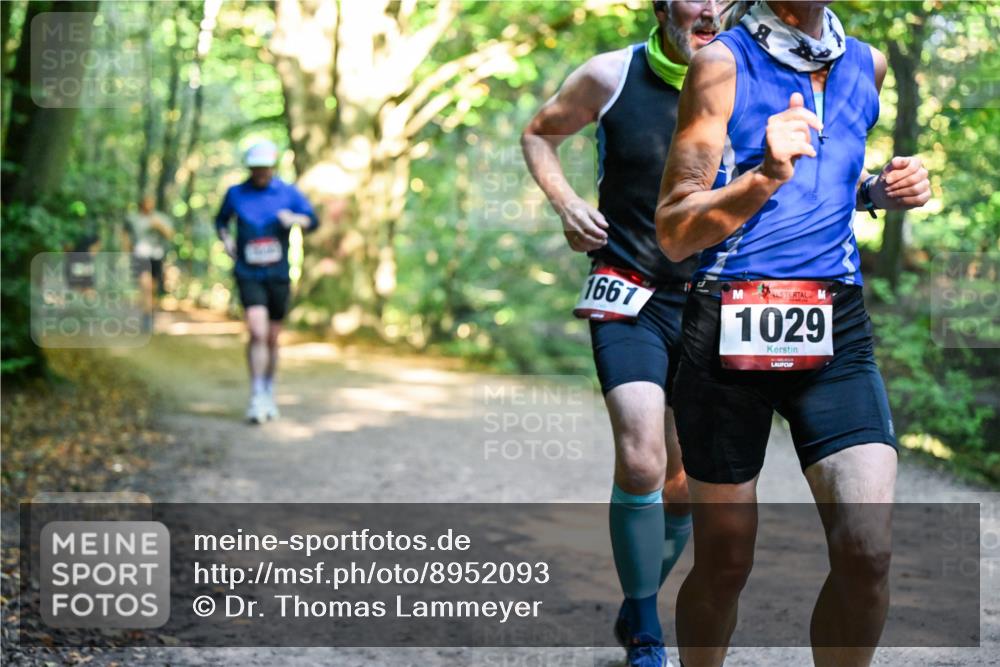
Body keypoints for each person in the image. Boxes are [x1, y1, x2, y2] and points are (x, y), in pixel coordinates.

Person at [654, 1, 931, 666]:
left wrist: (877, 192)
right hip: (728, 322)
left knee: (867, 551)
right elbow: (674, 230)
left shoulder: (867, 64)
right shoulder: (721, 65)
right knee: (725, 560)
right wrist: (765, 175)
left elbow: (825, 184)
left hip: (836, 326)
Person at [522, 2, 722, 664]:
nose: (711, 8)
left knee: (685, 482)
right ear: (663, 7)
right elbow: (538, 134)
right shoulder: (610, 75)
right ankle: (644, 624)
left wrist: (869, 191)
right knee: (642, 458)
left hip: (713, 302)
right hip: (629, 288)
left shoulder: (750, 80)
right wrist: (567, 202)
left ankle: (638, 596)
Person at [215, 140, 318, 424]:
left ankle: (269, 389)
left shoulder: (288, 193)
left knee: (272, 337)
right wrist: (226, 240)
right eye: (256, 168)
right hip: (248, 273)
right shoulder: (236, 193)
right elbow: (221, 221)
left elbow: (313, 221)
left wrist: (294, 219)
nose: (261, 172)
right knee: (257, 332)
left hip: (278, 275)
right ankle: (257, 393)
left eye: (265, 167)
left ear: (273, 167)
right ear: (250, 168)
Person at [125, 195, 174, 332]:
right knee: (145, 285)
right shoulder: (133, 218)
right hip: (140, 256)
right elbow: (126, 236)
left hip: (156, 256)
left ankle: (149, 314)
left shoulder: (161, 218)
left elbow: (170, 235)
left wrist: (159, 226)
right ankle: (146, 315)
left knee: (152, 288)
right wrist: (127, 251)